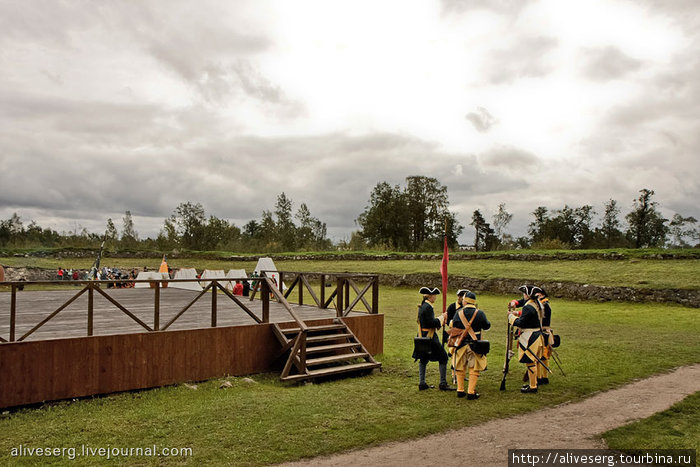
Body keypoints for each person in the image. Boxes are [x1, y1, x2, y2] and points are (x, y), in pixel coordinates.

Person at [509, 286, 553, 385]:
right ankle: (538, 379)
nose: (523, 295)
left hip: (530, 336)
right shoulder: (536, 303)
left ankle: (534, 384)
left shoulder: (531, 306)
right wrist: (515, 303)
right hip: (537, 334)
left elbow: (521, 322)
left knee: (530, 360)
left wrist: (511, 317)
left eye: (524, 294)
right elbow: (522, 304)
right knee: (537, 358)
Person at [450, 290, 490, 399]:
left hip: (461, 344)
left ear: (465, 301)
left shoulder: (458, 313)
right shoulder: (480, 313)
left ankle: (460, 390)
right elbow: (487, 326)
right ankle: (471, 392)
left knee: (459, 367)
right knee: (474, 368)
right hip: (475, 344)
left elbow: (454, 325)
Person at [412, 287, 454, 391]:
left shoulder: (423, 306)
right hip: (430, 337)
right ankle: (443, 383)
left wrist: (440, 320)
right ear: (430, 296)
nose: (435, 297)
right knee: (443, 357)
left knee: (423, 358)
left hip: (422, 335)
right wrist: (442, 317)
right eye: (434, 295)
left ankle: (422, 383)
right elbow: (431, 323)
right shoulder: (428, 307)